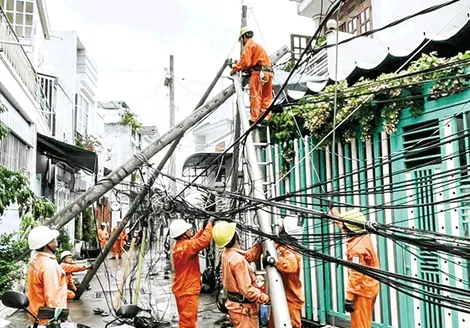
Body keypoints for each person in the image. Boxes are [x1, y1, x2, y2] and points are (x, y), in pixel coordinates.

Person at [213, 221, 269, 328]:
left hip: (235, 307)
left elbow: (247, 255)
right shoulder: (238, 261)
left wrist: (260, 245)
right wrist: (265, 297)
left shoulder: (226, 254)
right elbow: (247, 290)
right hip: (244, 311)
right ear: (235, 236)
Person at [331, 208, 380, 328]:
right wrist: (333, 211)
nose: (344, 229)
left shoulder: (356, 250)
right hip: (371, 285)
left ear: (351, 229)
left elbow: (356, 275)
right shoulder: (362, 235)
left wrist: (349, 298)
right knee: (365, 319)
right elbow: (344, 225)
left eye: (345, 227)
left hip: (362, 290)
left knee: (360, 324)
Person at [170, 217, 214, 328]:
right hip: (187, 291)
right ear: (183, 234)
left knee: (187, 320)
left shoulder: (183, 245)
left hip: (184, 289)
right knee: (188, 323)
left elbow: (195, 240)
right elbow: (203, 241)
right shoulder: (186, 247)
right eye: (188, 229)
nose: (190, 230)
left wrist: (203, 228)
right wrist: (209, 226)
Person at [265, 217, 305, 328]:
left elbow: (290, 266)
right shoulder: (283, 247)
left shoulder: (291, 252)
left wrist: (274, 261)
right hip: (281, 297)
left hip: (290, 300)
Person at [231, 27, 273, 123]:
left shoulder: (249, 44)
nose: (242, 43)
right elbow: (250, 63)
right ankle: (265, 118)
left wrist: (235, 68)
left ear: (244, 37)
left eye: (242, 40)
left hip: (258, 73)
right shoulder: (257, 46)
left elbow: (245, 61)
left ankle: (254, 119)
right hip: (269, 73)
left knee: (255, 96)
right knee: (266, 97)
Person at [27, 225, 67, 325]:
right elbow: (52, 297)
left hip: (37, 316)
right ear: (47, 244)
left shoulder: (35, 261)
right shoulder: (48, 265)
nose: (56, 242)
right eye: (54, 240)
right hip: (48, 319)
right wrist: (59, 318)